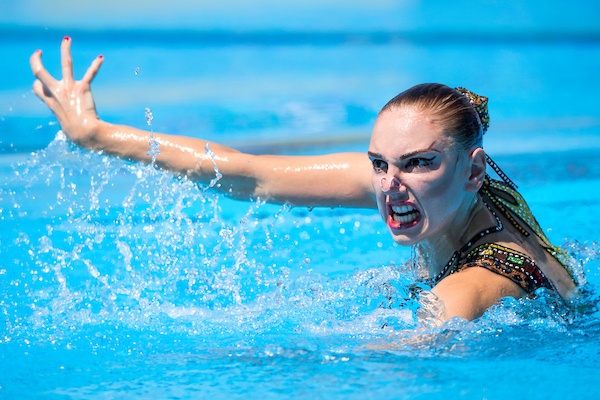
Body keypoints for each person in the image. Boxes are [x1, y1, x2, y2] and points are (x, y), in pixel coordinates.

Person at [30, 37, 579, 322]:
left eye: (418, 163)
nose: (390, 186)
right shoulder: (420, 190)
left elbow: (423, 349)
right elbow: (246, 174)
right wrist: (96, 136)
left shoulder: (477, 282)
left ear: (473, 170)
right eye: (379, 163)